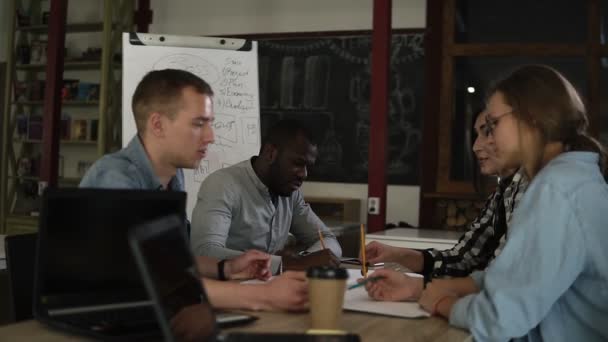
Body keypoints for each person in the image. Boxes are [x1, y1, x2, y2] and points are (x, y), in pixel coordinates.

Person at [80, 69, 308, 312]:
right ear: (157, 125)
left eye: (210, 124)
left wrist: (226, 268)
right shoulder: (115, 178)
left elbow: (168, 261)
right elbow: (143, 279)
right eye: (199, 124)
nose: (210, 137)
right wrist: (262, 296)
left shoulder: (172, 175)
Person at [418, 65, 608, 341]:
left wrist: (442, 304)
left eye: (494, 124)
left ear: (531, 118)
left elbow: (499, 319)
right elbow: (522, 273)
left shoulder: (555, 189)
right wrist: (441, 288)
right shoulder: (577, 177)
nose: (489, 139)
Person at [363, 110, 529, 301]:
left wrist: (418, 288)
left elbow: (502, 282)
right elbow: (465, 260)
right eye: (478, 135)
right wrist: (398, 255)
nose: (476, 146)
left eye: (489, 132)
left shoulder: (533, 187)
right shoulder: (505, 190)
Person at [191, 119, 342, 274]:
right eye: (297, 163)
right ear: (271, 153)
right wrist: (287, 264)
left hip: (271, 290)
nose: (303, 174)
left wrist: (304, 260)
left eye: (307, 167)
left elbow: (327, 238)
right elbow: (204, 252)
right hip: (226, 292)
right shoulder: (223, 184)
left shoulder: (290, 193)